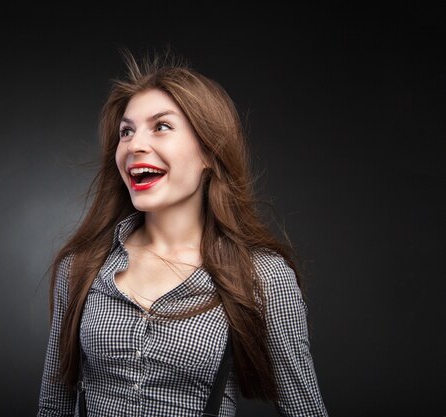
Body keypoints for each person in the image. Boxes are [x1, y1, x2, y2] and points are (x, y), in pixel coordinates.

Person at [37, 48, 328, 417]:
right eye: (126, 131)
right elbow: (53, 405)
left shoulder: (263, 278)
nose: (134, 145)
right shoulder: (82, 266)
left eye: (161, 126)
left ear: (209, 150)